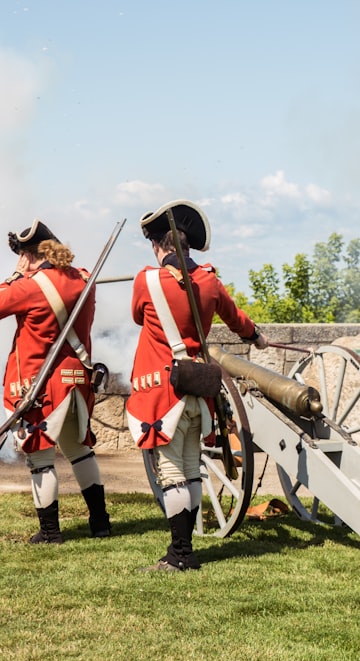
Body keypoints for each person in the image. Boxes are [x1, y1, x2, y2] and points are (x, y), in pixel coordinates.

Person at [126, 200, 268, 572]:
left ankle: (180, 554)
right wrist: (257, 337)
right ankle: (184, 552)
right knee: (191, 469)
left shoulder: (147, 280)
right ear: (188, 247)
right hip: (199, 389)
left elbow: (137, 315)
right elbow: (237, 319)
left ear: (161, 245)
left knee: (172, 472)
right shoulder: (209, 280)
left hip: (162, 390)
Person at [0, 220, 111, 544]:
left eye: (22, 255)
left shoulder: (28, 286)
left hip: (40, 384)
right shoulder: (84, 278)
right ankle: (100, 523)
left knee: (40, 457)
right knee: (80, 452)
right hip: (77, 379)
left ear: (30, 255)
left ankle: (50, 531)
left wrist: (14, 277)